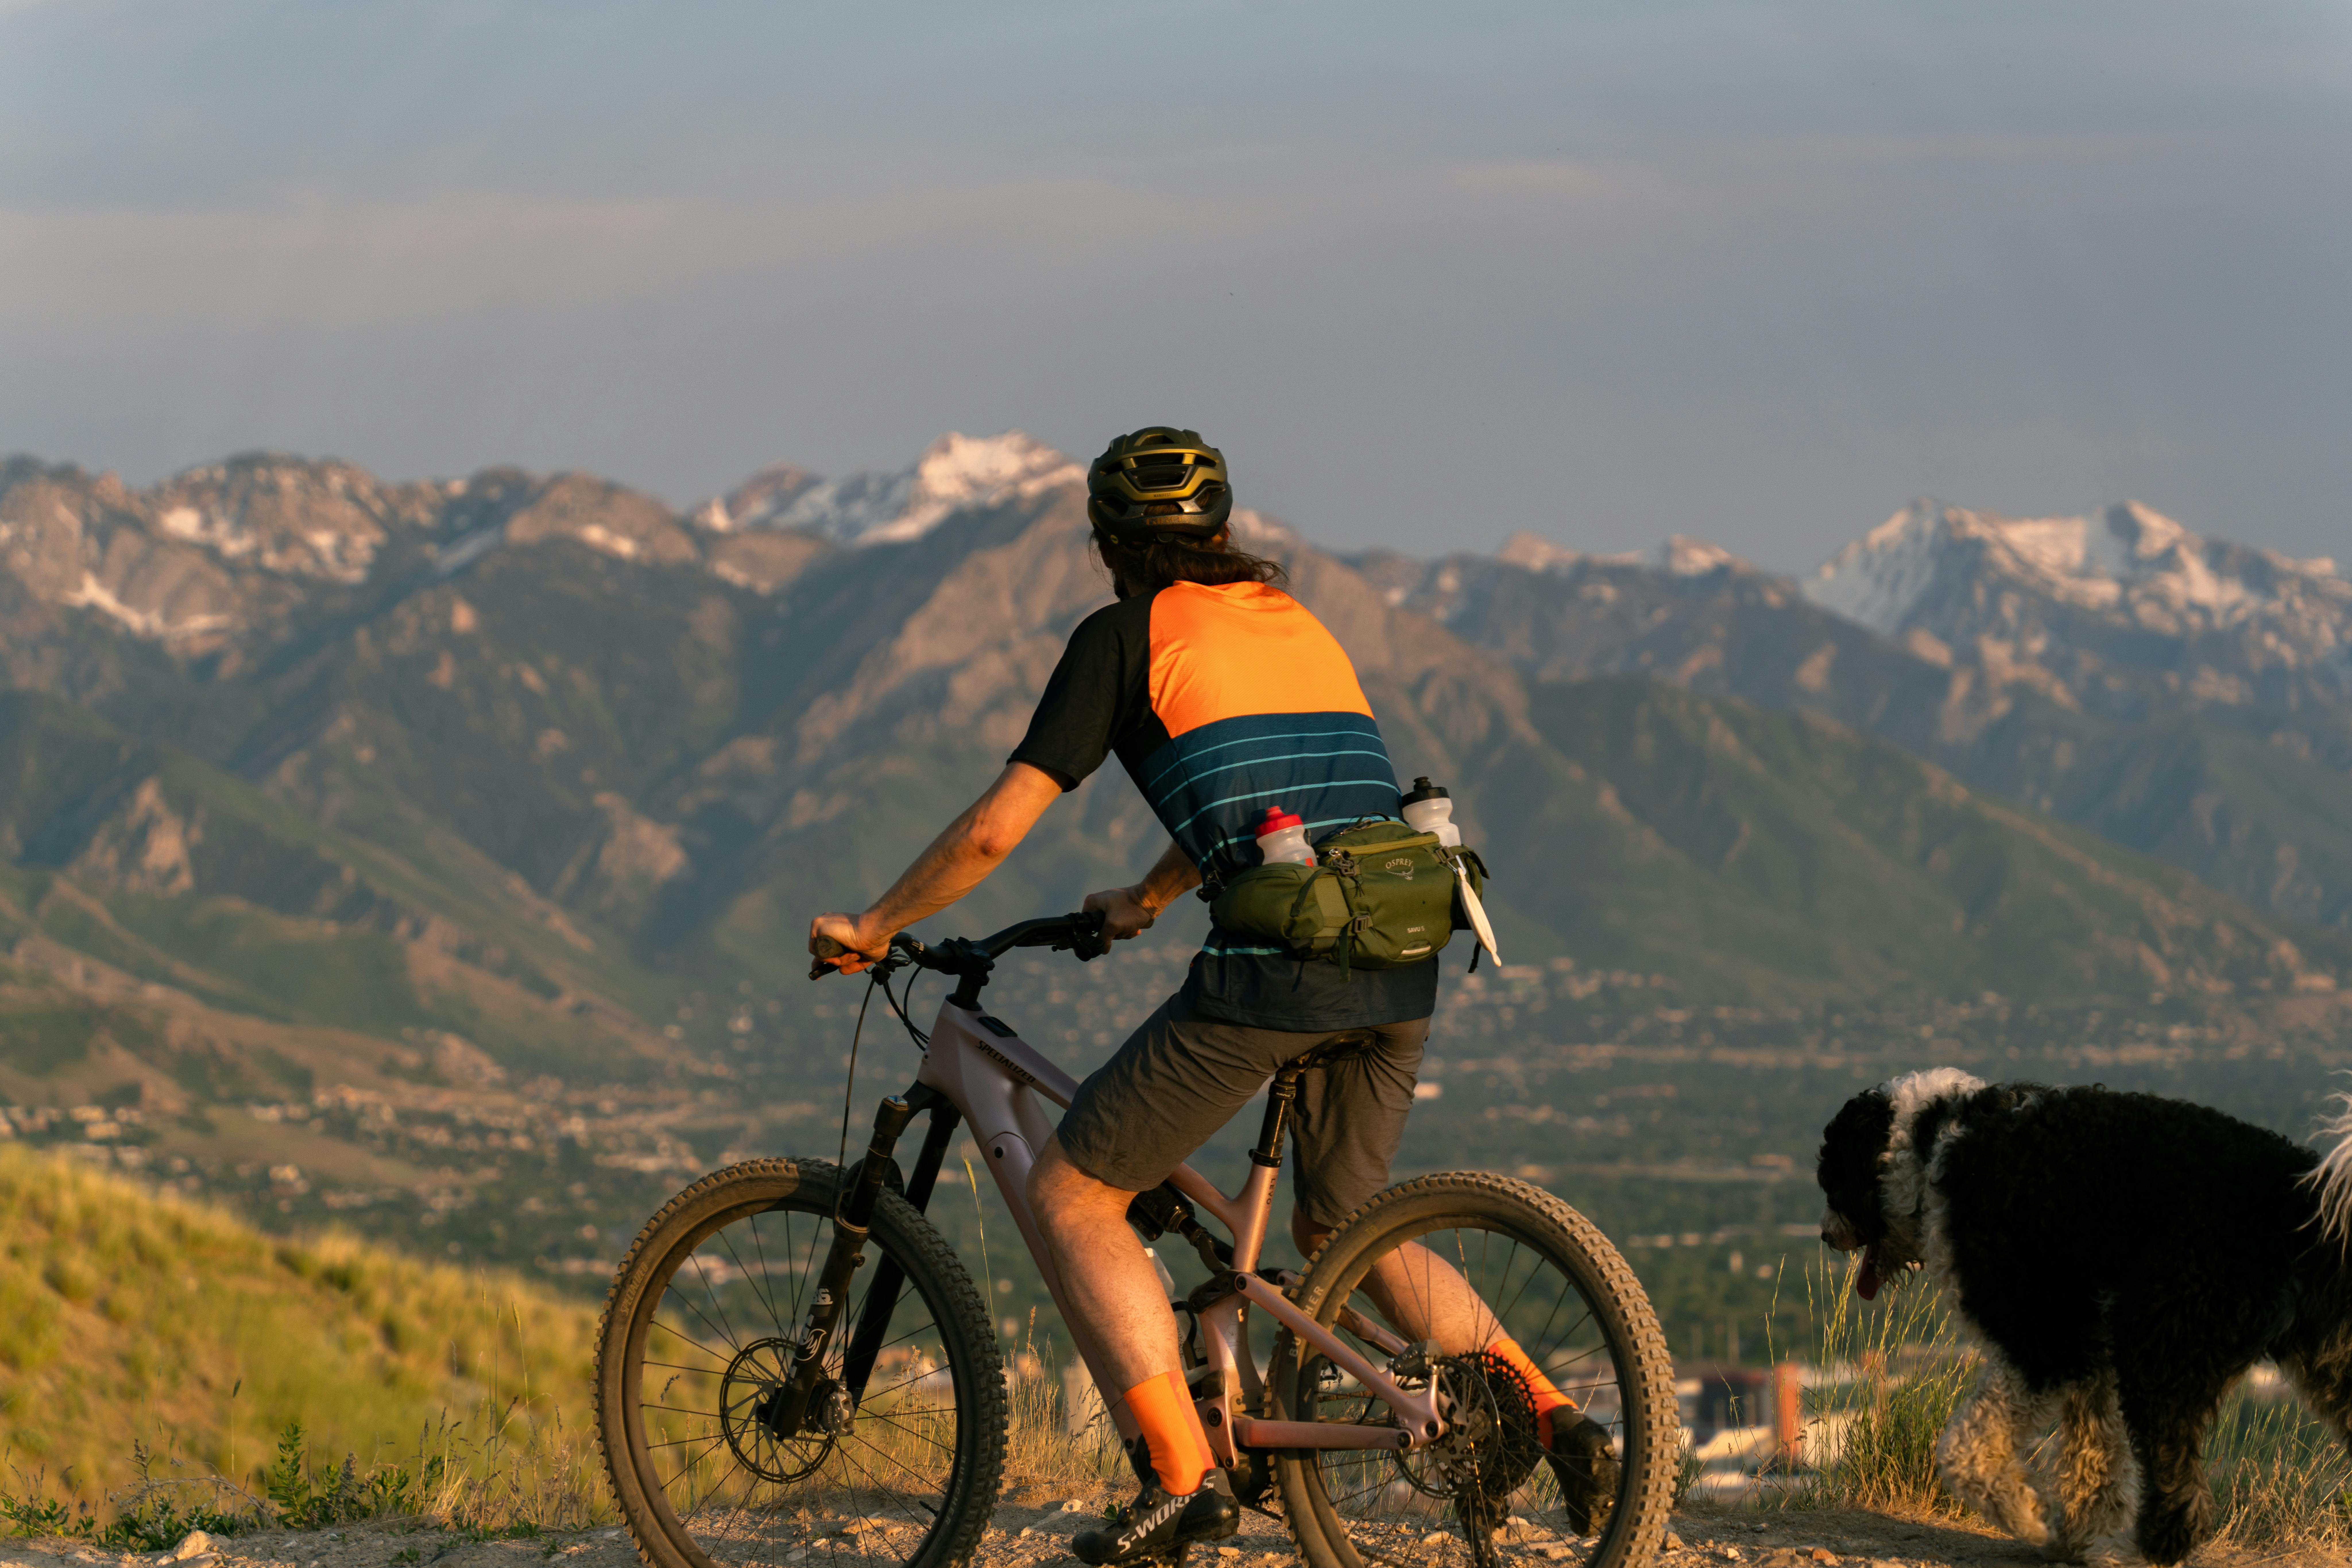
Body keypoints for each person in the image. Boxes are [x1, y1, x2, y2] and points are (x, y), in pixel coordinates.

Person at [810, 427, 1611, 1565]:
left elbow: (993, 828)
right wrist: (1147, 891)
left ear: (1108, 546)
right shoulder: (1295, 623)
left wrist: (873, 923)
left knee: (1078, 1192)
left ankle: (1185, 1482)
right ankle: (1550, 1409)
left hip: (1285, 968)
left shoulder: (1124, 638)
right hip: (1401, 953)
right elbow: (1284, 796)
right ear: (1218, 532)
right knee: (1339, 1230)